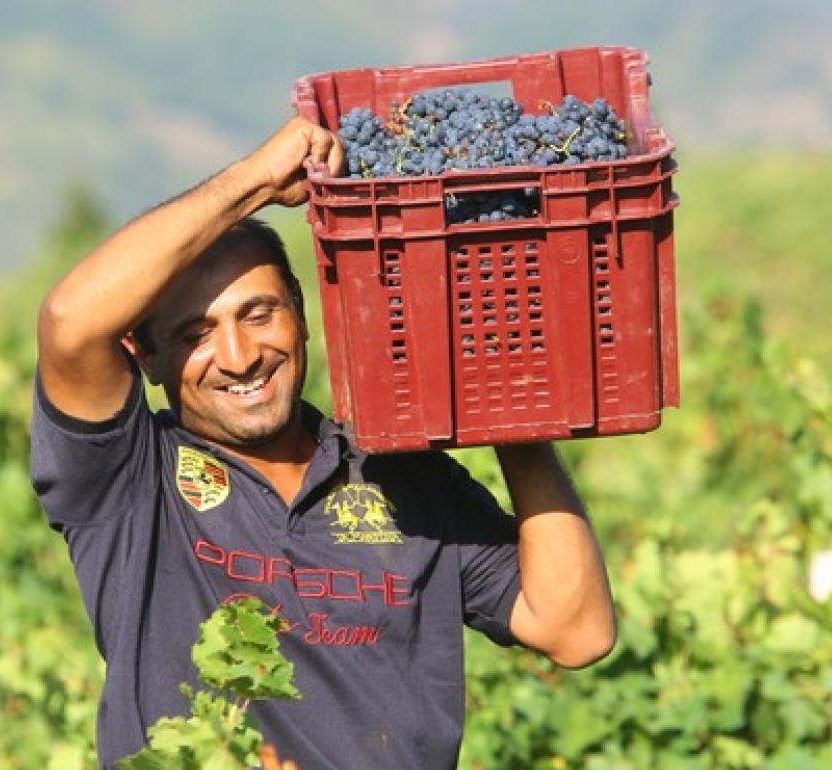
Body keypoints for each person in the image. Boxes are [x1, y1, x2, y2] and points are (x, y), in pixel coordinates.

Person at [30, 116, 616, 770]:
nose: (240, 355)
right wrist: (255, 180)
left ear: (302, 313)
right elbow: (69, 322)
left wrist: (516, 420)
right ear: (146, 356)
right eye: (197, 334)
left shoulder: (403, 475)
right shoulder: (131, 481)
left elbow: (575, 629)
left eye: (259, 314)